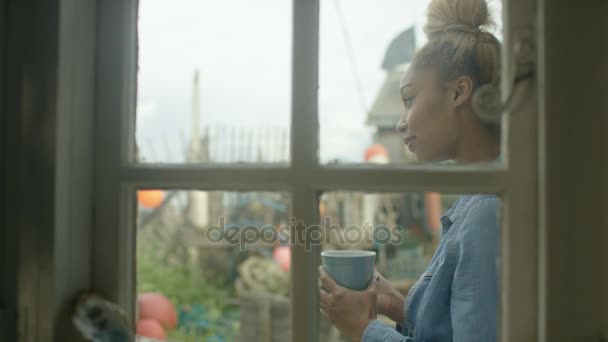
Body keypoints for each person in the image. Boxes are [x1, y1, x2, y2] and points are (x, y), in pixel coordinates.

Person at [318, 0, 501, 340]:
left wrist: (362, 329)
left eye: (409, 99)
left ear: (459, 92)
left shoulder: (485, 214)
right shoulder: (477, 198)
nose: (401, 124)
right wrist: (394, 303)